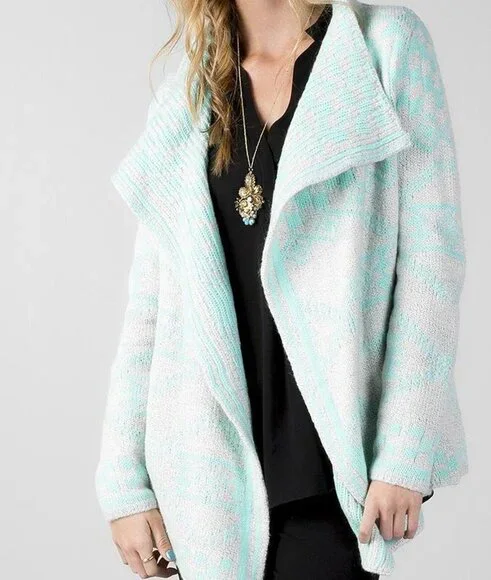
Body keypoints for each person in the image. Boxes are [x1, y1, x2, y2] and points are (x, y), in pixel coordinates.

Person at [94, 0, 468, 578]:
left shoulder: (383, 49)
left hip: (327, 475)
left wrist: (405, 450)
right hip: (205, 483)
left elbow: (430, 266)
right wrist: (124, 483)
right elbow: (150, 307)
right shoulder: (187, 94)